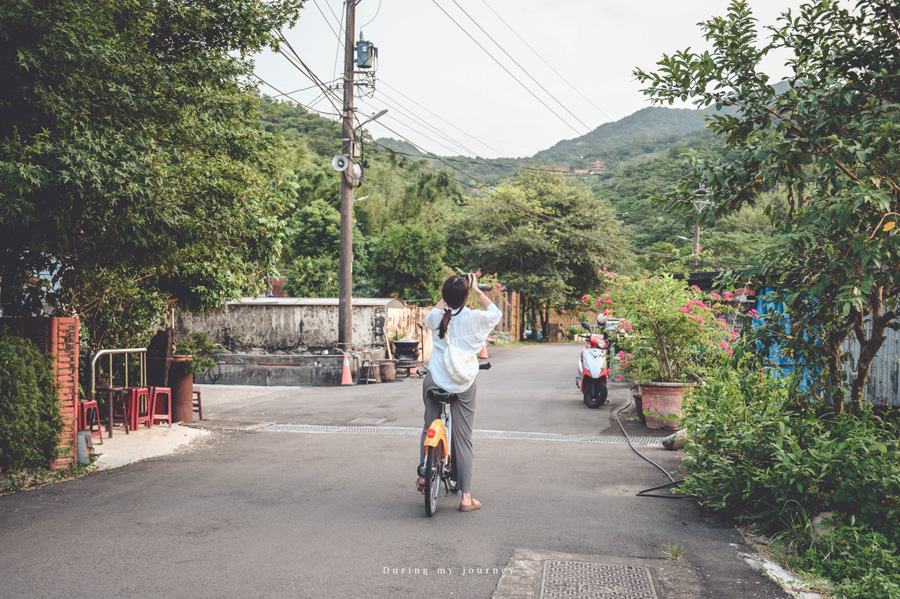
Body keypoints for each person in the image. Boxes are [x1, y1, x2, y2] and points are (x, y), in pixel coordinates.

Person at [416, 273, 502, 512]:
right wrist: (476, 290)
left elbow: (432, 314)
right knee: (463, 438)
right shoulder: (475, 318)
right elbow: (496, 313)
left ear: (444, 296)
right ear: (466, 297)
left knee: (428, 426)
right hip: (463, 384)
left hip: (435, 380)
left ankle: (424, 474)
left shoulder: (437, 316)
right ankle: (466, 498)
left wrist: (445, 298)